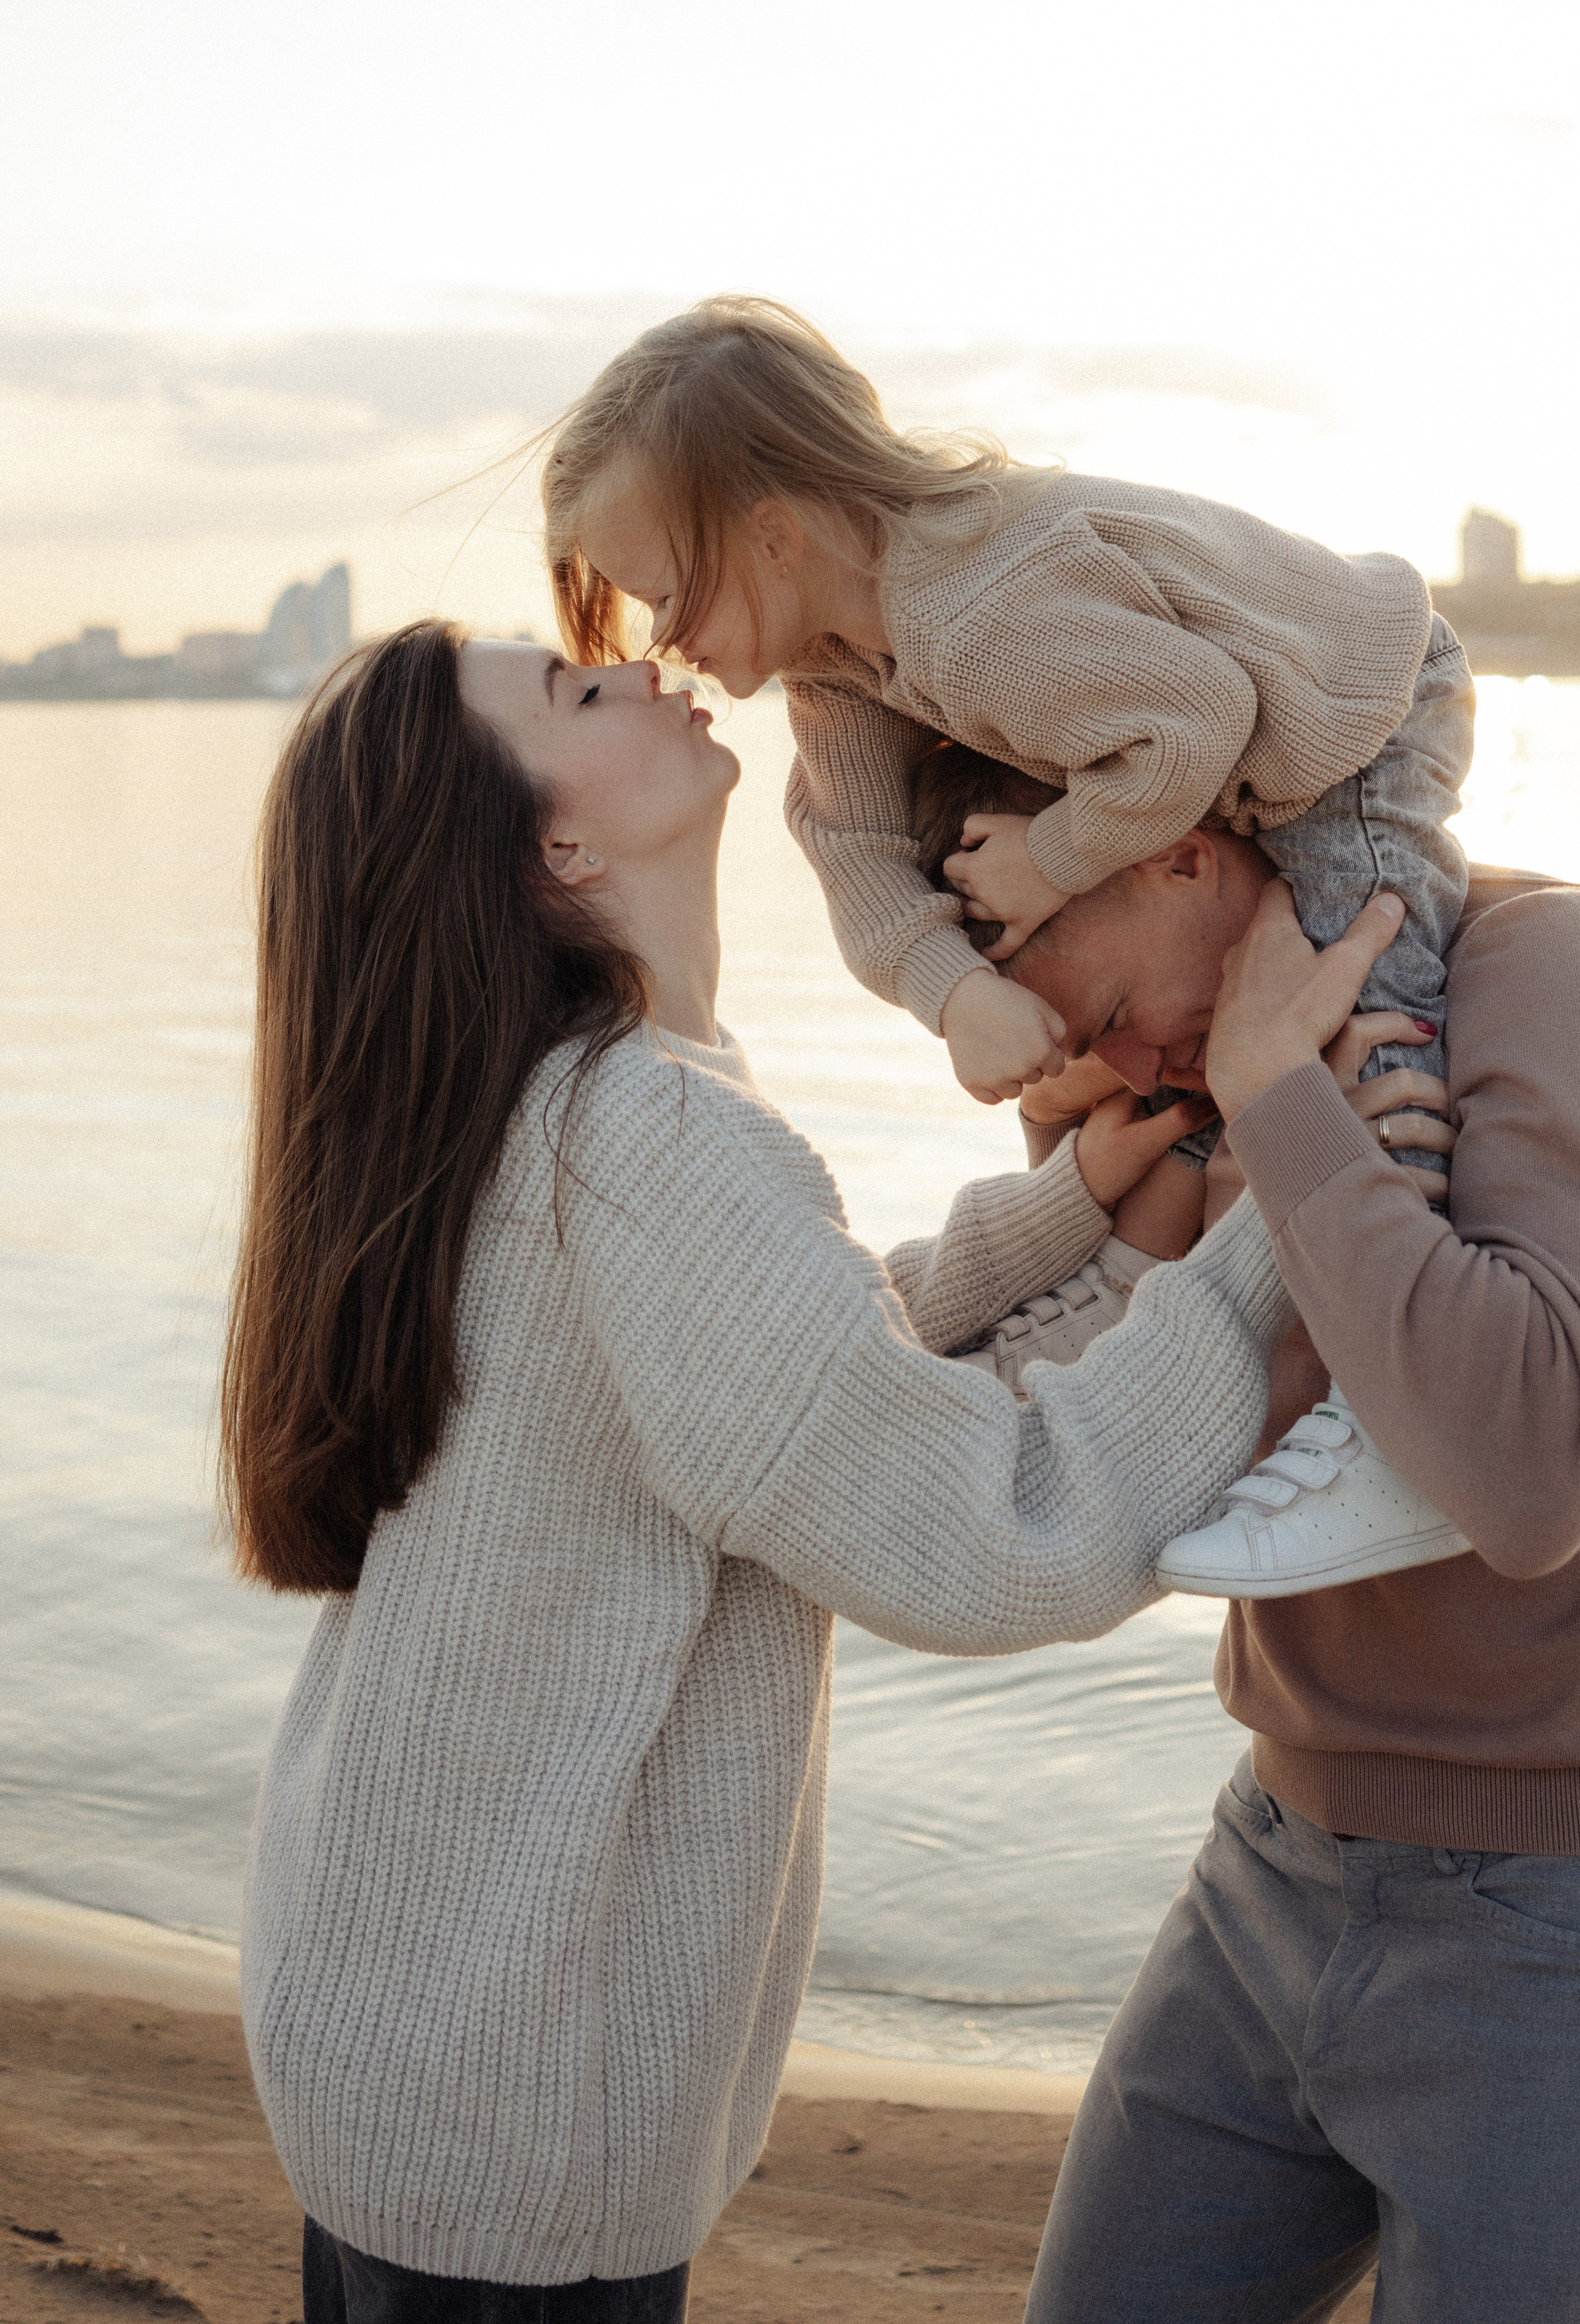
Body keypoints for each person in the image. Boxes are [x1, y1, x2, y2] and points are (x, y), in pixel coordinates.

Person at [221, 623, 1421, 2324]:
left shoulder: (566, 1111)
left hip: (395, 2010)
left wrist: (1073, 1213)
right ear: (556, 849)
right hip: (506, 2082)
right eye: (572, 696)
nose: (632, 663)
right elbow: (986, 1535)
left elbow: (784, 1408)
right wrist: (1271, 1186)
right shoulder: (637, 1134)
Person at [912, 742, 1580, 2323]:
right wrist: (1119, 1153)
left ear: (1174, 849)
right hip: (1272, 1860)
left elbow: (1523, 1467)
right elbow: (1141, 1461)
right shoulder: (1191, 1086)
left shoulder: (1561, 963)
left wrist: (1273, 1091)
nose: (1122, 1056)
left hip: (1566, 1906)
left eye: (1097, 1012)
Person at [536, 297, 1473, 1144]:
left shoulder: (977, 611)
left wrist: (1049, 858)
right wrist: (959, 994)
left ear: (774, 538)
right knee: (1203, 1037)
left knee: (1363, 998)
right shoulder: (835, 657)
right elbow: (853, 844)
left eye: (664, 595)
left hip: (1356, 709)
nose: (660, 639)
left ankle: (1423, 1229)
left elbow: (1196, 721)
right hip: (1235, 749)